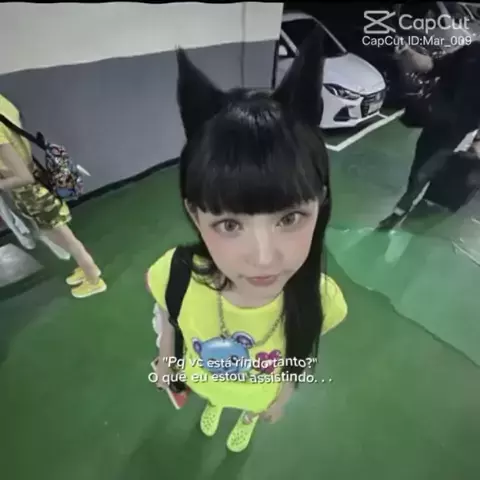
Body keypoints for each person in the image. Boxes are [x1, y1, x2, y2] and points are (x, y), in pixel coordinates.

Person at [146, 29, 348, 453]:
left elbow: (299, 352)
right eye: (229, 224)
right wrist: (166, 356)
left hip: (260, 395)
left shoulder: (323, 298)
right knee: (216, 396)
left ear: (321, 205)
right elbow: (167, 313)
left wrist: (284, 394)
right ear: (194, 215)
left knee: (250, 408)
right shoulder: (174, 273)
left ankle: (247, 418)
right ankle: (217, 404)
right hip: (204, 380)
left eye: (290, 218)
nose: (263, 258)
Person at [0, 94, 106, 298]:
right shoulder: (2, 101)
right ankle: (85, 267)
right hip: (34, 181)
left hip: (30, 192)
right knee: (55, 233)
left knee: (64, 237)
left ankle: (94, 279)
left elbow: (23, 177)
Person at [378, 41, 480, 231]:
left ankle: (404, 217)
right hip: (436, 123)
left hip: (461, 136)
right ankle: (404, 212)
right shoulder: (472, 51)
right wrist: (409, 53)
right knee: (418, 174)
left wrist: (477, 142)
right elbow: (434, 65)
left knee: (429, 177)